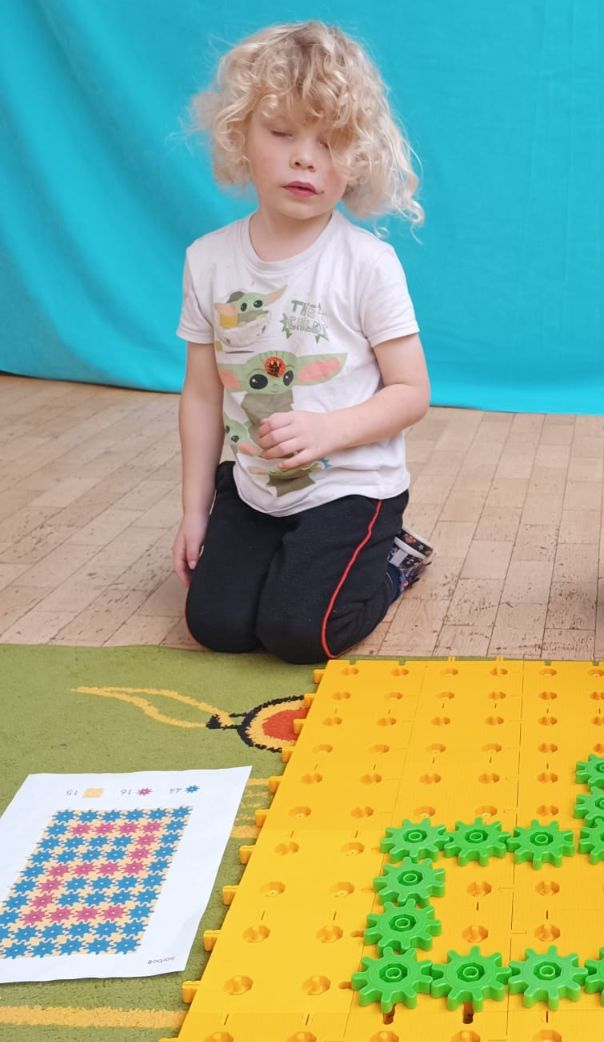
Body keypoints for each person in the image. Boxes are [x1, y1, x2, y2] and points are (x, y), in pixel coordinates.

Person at [173, 20, 431, 664]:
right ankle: (276, 555)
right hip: (256, 486)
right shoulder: (207, 260)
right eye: (282, 132)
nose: (305, 158)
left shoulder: (367, 264)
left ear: (358, 158)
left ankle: (394, 561)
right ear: (240, 134)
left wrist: (327, 430)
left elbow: (411, 392)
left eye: (331, 141)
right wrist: (193, 512)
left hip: (352, 488)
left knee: (300, 634)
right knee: (216, 625)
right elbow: (202, 395)